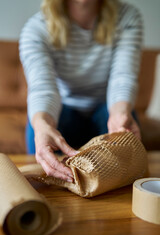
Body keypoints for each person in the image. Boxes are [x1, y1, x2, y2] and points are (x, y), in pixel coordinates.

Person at [19, 0, 143, 183]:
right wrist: (42, 124)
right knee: (38, 127)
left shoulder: (127, 17)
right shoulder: (35, 28)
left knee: (127, 170)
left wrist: (120, 113)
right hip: (64, 110)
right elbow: (43, 88)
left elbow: (123, 76)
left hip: (108, 108)